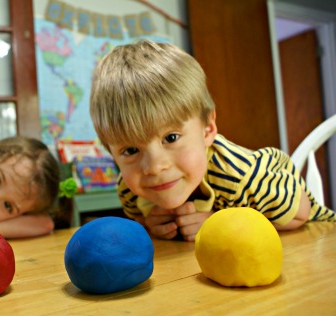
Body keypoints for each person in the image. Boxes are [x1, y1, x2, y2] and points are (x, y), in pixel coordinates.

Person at [89, 39, 335, 241]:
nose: (154, 167)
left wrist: (218, 223)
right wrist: (150, 224)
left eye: (171, 137)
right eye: (131, 150)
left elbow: (301, 213)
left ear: (207, 129)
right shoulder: (130, 188)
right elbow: (138, 220)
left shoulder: (242, 175)